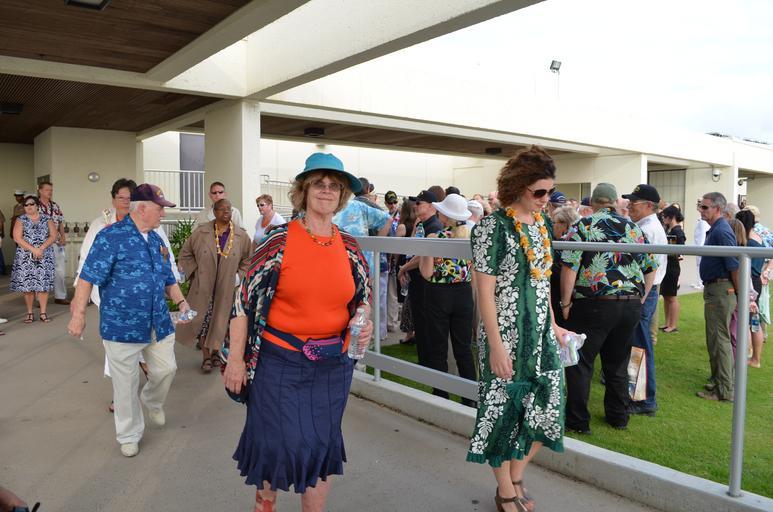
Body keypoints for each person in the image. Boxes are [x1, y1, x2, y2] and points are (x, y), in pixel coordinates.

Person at [222, 152, 373, 512]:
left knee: (322, 446)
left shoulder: (349, 246)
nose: (326, 190)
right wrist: (236, 361)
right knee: (272, 445)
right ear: (303, 191)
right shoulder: (278, 241)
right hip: (279, 364)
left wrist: (363, 321)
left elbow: (363, 298)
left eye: (334, 185)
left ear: (342, 195)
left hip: (333, 366)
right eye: (318, 183)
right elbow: (242, 302)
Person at [467, 146, 568, 512]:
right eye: (539, 191)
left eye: (550, 192)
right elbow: (484, 292)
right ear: (518, 185)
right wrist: (495, 346)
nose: (545, 199)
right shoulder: (492, 228)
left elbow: (543, 281)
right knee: (500, 413)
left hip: (540, 335)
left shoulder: (542, 225)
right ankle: (506, 490)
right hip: (505, 334)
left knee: (549, 407)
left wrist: (553, 323)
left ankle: (516, 475)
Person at [67, 184, 189, 457]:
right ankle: (129, 434)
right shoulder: (110, 237)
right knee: (125, 385)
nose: (163, 214)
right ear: (142, 208)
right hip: (122, 325)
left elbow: (168, 278)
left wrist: (181, 302)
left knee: (166, 369)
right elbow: (87, 277)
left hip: (158, 321)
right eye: (160, 209)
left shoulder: (156, 239)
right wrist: (78, 315)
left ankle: (152, 400)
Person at [560, 183, 657, 433]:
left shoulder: (583, 225)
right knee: (618, 363)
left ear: (593, 203)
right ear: (614, 202)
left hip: (593, 303)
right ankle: (618, 417)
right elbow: (651, 267)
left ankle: (578, 421)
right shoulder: (633, 228)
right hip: (630, 304)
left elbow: (570, 266)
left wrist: (566, 302)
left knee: (581, 362)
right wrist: (641, 298)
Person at [177, 198, 252, 373]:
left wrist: (239, 276)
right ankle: (206, 356)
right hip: (204, 287)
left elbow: (249, 259)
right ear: (214, 212)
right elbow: (185, 254)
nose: (226, 212)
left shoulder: (241, 235)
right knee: (204, 320)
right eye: (222, 209)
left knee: (221, 321)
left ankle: (216, 353)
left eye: (229, 209)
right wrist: (195, 273)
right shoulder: (201, 232)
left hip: (227, 287)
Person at [418, 194, 477, 406]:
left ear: (445, 214)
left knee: (438, 347)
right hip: (464, 294)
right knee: (464, 348)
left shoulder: (436, 237)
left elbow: (426, 273)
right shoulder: (472, 237)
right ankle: (470, 398)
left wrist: (425, 252)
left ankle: (441, 395)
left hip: (438, 294)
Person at [623, 184, 667, 417]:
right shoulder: (647, 226)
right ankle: (639, 396)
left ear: (649, 206)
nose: (630, 206)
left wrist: (641, 297)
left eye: (634, 203)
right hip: (646, 291)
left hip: (644, 291)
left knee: (640, 346)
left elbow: (649, 268)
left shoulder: (647, 229)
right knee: (638, 344)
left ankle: (644, 399)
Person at [334, 179, 390, 340]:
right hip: (340, 269)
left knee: (361, 310)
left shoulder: (358, 206)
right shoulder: (324, 208)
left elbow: (387, 220)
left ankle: (359, 348)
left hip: (361, 269)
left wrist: (375, 247)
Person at [696, 192, 738, 402]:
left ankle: (724, 390)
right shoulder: (717, 229)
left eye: (705, 207)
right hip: (716, 290)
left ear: (718, 209)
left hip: (721, 290)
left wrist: (739, 293)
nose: (701, 210)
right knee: (715, 339)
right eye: (700, 206)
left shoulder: (721, 231)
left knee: (719, 340)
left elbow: (734, 265)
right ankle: (719, 380)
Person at [398, 190, 443, 370]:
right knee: (420, 321)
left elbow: (423, 255)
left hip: (426, 281)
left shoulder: (434, 226)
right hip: (419, 280)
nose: (415, 206)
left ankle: (428, 363)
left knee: (425, 322)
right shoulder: (424, 224)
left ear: (431, 206)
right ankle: (425, 361)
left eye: (419, 203)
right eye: (415, 203)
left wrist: (404, 267)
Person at [11, 195, 57, 323]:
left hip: (44, 254)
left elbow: (53, 235)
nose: (29, 206)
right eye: (26, 205)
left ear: (37, 205)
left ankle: (43, 313)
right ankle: (30, 313)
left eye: (31, 204)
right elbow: (17, 237)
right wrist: (33, 249)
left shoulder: (47, 218)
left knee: (43, 285)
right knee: (28, 285)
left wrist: (41, 248)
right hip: (26, 256)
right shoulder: (21, 219)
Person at [736, 210, 766, 368]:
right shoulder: (759, 237)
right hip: (756, 280)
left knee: (747, 320)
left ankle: (748, 356)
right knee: (754, 320)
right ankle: (755, 358)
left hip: (750, 281)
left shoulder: (747, 241)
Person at [37, 181, 69, 305]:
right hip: (41, 243)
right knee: (41, 271)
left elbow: (60, 222)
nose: (50, 192)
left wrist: (63, 237)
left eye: (51, 190)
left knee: (60, 271)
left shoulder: (55, 206)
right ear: (40, 191)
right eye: (47, 190)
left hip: (56, 242)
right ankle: (40, 299)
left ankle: (60, 296)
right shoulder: (34, 206)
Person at [659, 206, 686, 333]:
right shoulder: (669, 230)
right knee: (666, 296)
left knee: (672, 297)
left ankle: (673, 325)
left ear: (672, 217)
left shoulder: (678, 231)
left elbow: (680, 251)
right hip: (667, 266)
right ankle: (667, 323)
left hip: (672, 267)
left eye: (665, 217)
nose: (663, 219)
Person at [396, 198, 417, 344]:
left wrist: (396, 264)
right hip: (413, 263)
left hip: (405, 264)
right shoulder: (417, 224)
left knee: (406, 299)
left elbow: (396, 249)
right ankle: (412, 332)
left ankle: (409, 333)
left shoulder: (402, 226)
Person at [384, 191, 401, 333]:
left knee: (392, 293)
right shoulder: (384, 217)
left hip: (395, 260)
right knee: (386, 293)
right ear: (386, 203)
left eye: (395, 202)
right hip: (387, 260)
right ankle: (387, 322)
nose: (393, 205)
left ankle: (392, 323)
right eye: (390, 203)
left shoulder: (400, 217)